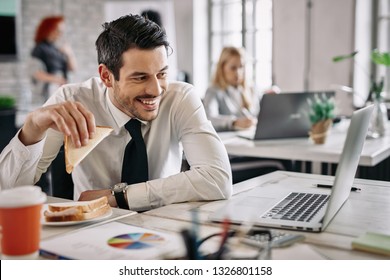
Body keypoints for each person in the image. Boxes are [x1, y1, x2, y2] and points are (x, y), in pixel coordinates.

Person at [0, 14, 232, 211]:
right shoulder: (72, 100)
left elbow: (217, 179)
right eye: (140, 77)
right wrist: (32, 129)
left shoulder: (180, 97)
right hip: (91, 231)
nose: (156, 89)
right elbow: (8, 189)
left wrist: (118, 197)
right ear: (106, 76)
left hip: (164, 225)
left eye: (161, 74)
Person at [203, 46, 259, 132]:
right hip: (228, 141)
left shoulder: (250, 90)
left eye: (241, 67)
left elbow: (258, 115)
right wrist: (234, 122)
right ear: (222, 68)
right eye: (233, 68)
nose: (238, 72)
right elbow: (209, 118)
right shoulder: (213, 91)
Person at [29, 15, 77, 102]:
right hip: (50, 91)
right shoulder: (39, 48)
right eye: (58, 30)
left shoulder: (56, 49)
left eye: (62, 31)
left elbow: (72, 68)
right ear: (49, 29)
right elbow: (36, 73)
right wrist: (57, 79)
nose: (60, 34)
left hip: (61, 88)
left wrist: (69, 53)